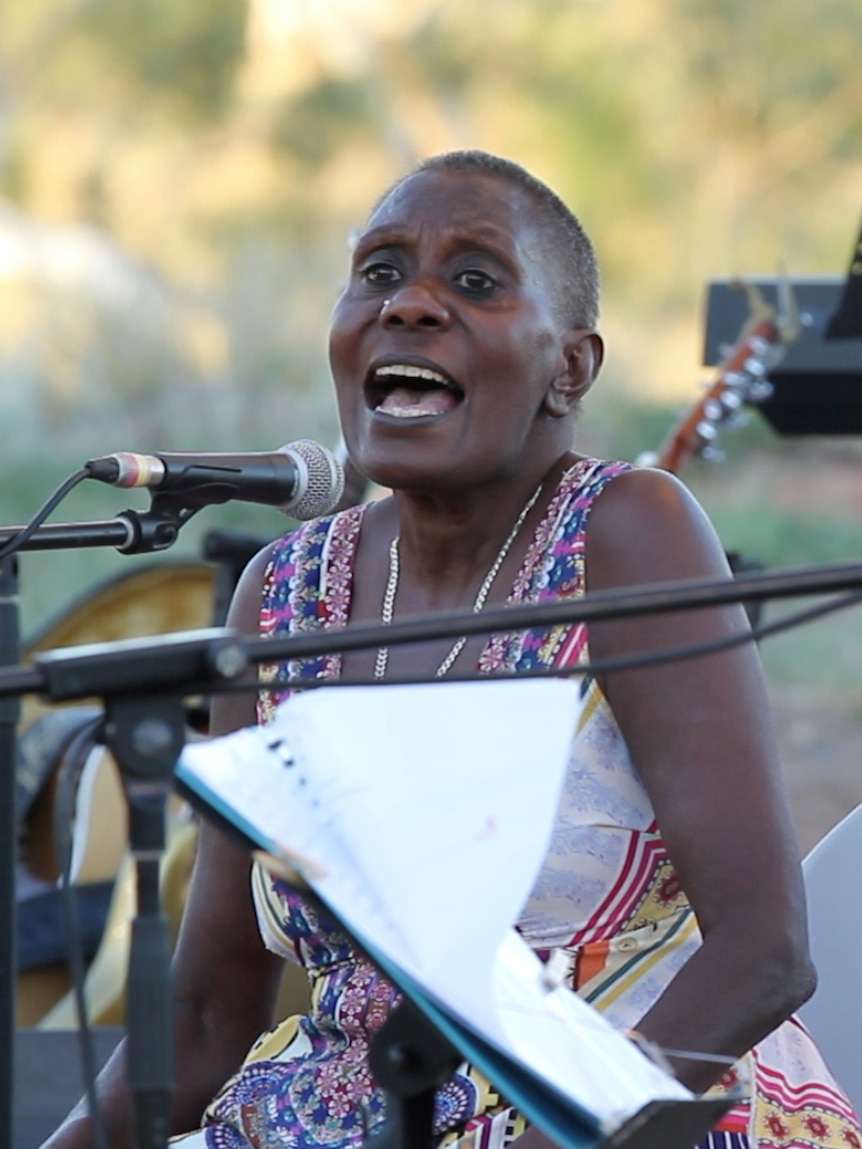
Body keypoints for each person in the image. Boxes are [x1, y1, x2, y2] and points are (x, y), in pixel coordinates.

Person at [43, 150, 861, 1149]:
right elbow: (212, 1011)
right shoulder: (285, 597)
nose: (410, 305)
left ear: (570, 368)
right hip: (342, 1118)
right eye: (379, 272)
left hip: (628, 1110)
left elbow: (764, 954)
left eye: (474, 282)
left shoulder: (626, 532)